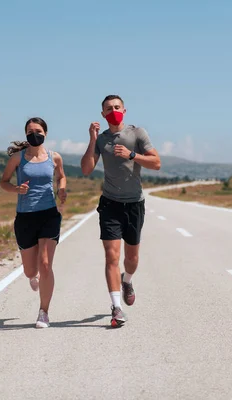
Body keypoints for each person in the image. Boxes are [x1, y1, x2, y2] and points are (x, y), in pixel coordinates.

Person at [80, 95, 161, 328]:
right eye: (108, 109)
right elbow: (86, 169)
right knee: (111, 256)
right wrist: (92, 139)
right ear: (103, 114)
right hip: (110, 204)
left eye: (117, 107)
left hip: (134, 203)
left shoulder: (137, 134)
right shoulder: (101, 139)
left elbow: (156, 163)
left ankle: (128, 280)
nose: (113, 111)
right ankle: (116, 308)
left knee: (132, 259)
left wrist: (132, 155)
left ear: (124, 110)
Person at [0, 117, 67, 329]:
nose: (33, 134)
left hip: (49, 214)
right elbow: (4, 182)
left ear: (45, 133)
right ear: (26, 135)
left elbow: (61, 177)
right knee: (30, 270)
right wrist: (16, 189)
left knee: (46, 264)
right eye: (30, 131)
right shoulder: (18, 159)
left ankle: (43, 312)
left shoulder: (54, 157)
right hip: (25, 217)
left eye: (37, 130)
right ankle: (33, 275)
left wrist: (61, 190)